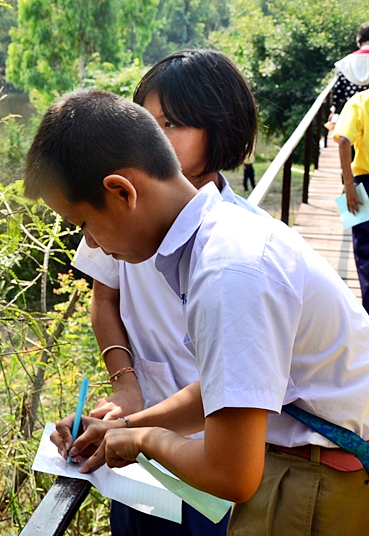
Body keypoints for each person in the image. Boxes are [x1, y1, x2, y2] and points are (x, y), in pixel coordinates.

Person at [25, 89, 369, 535]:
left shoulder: (228, 270)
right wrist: (125, 424)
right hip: (314, 470)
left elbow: (232, 475)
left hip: (321, 483)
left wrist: (144, 439)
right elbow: (222, 386)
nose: (90, 244)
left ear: (121, 191)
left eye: (84, 224)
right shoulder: (218, 240)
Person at [71, 50, 262, 535]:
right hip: (138, 440)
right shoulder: (117, 209)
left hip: (210, 448)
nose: (156, 139)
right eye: (147, 123)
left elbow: (232, 387)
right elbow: (105, 300)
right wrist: (125, 384)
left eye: (173, 124)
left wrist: (139, 427)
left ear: (219, 130)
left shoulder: (237, 246)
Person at [334, 88, 369, 313]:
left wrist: (348, 185)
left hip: (363, 184)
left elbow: (344, 140)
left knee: (366, 252)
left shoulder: (360, 100)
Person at [331, 21, 369, 120]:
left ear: (360, 39)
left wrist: (334, 109)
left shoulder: (345, 62)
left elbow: (338, 90)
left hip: (349, 115)